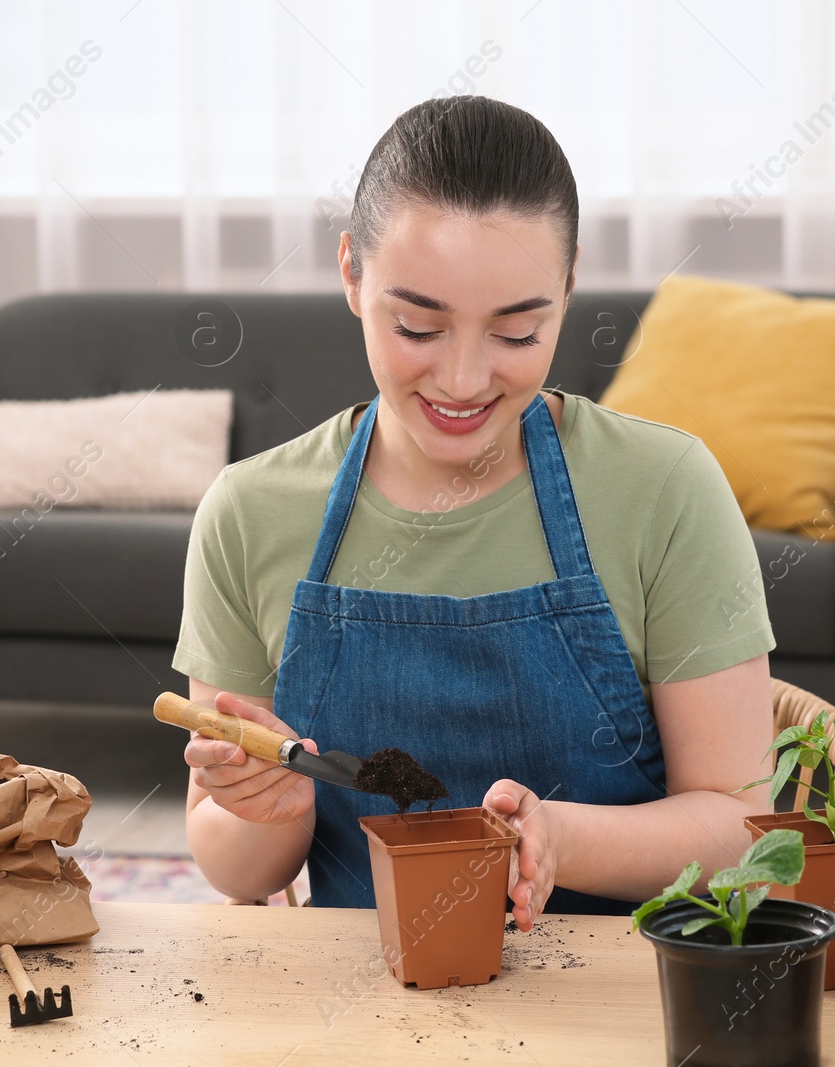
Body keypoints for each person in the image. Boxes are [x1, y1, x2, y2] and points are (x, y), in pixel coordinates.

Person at [173, 96, 775, 928]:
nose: (462, 380)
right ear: (351, 274)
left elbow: (742, 834)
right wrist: (268, 808)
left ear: (567, 292)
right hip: (365, 1011)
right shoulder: (249, 512)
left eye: (517, 334)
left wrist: (558, 837)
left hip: (620, 1006)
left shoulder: (665, 488)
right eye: (419, 325)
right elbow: (235, 870)